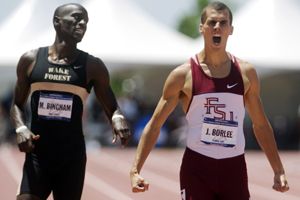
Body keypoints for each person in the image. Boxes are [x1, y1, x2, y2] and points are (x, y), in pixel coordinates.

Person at [130, 2, 289, 199]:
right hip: (197, 168)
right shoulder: (182, 75)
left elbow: (261, 125)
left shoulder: (246, 73)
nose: (217, 27)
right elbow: (155, 125)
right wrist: (135, 170)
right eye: (212, 22)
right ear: (201, 28)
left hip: (234, 169)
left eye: (223, 23)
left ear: (231, 30)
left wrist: (278, 169)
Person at [10, 3, 131, 200]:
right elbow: (16, 105)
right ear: (57, 22)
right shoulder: (31, 60)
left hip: (71, 157)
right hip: (38, 155)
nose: (82, 23)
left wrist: (117, 118)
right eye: (76, 17)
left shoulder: (93, 66)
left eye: (85, 20)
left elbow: (112, 106)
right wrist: (21, 129)